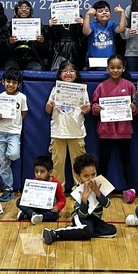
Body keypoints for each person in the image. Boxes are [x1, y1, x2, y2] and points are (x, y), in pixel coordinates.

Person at [91, 54, 138, 202]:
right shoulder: (101, 86)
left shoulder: (130, 86)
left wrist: (133, 108)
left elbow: (136, 108)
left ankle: (131, 189)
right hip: (106, 132)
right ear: (107, 68)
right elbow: (94, 105)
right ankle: (100, 190)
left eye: (119, 67)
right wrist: (96, 109)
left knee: (126, 160)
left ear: (123, 68)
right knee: (104, 161)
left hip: (124, 131)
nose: (115, 70)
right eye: (112, 67)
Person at [42, 153, 117, 244]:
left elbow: (107, 204)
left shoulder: (99, 185)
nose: (90, 179)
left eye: (93, 174)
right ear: (78, 176)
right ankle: (55, 234)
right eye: (86, 176)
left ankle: (77, 231)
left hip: (95, 219)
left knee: (112, 230)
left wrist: (98, 193)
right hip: (80, 217)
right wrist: (84, 200)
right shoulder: (78, 190)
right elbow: (82, 215)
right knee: (87, 230)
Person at [46, 60, 89, 192]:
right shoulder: (55, 90)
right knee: (57, 164)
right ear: (60, 74)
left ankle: (80, 190)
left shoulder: (82, 90)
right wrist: (50, 105)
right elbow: (48, 110)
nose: (68, 73)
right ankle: (59, 190)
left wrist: (86, 108)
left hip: (76, 131)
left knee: (78, 163)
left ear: (76, 74)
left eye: (71, 71)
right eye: (65, 71)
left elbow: (87, 109)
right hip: (58, 131)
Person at [0, 66, 28, 202]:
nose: (10, 85)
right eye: (8, 81)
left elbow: (23, 113)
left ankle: (9, 184)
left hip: (14, 132)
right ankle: (8, 188)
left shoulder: (22, 97)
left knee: (12, 154)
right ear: (3, 82)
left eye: (14, 82)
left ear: (18, 84)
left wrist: (16, 123)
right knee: (3, 163)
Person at [16, 155, 67, 224]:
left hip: (48, 209)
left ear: (50, 172)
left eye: (42, 172)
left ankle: (28, 215)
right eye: (36, 171)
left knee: (54, 216)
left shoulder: (56, 184)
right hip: (34, 206)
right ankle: (33, 214)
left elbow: (62, 200)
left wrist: (57, 207)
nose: (38, 174)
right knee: (19, 201)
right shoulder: (34, 181)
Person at [44, 0, 84, 70]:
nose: (65, 2)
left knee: (74, 70)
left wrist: (82, 25)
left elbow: (81, 36)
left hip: (74, 48)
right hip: (58, 48)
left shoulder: (78, 17)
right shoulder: (54, 18)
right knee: (57, 70)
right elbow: (51, 37)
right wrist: (50, 26)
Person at [5, 0, 47, 71]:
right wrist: (9, 42)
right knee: (10, 69)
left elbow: (45, 50)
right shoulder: (8, 27)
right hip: (13, 57)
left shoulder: (38, 26)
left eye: (27, 8)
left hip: (32, 57)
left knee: (36, 69)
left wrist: (42, 42)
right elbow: (0, 47)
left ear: (31, 11)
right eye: (21, 8)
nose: (24, 10)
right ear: (16, 10)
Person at [82, 0, 125, 67]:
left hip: (110, 60)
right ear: (95, 16)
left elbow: (121, 29)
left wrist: (122, 13)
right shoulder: (92, 25)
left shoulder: (111, 25)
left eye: (106, 11)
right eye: (100, 11)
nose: (104, 13)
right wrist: (87, 15)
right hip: (93, 60)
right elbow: (86, 32)